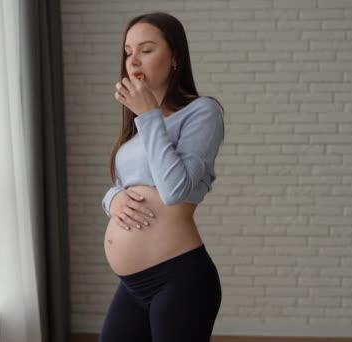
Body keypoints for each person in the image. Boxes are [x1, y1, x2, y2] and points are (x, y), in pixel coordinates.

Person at [99, 12, 226, 342]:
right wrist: (112, 200)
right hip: (133, 284)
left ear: (175, 58)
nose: (133, 59)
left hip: (179, 279)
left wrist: (149, 115)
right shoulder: (141, 126)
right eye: (128, 51)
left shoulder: (202, 112)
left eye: (146, 49)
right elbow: (123, 183)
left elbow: (175, 190)